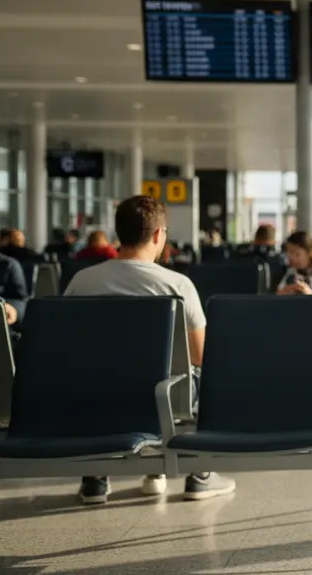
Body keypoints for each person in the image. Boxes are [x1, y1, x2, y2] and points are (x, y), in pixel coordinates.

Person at [64, 196, 236, 505]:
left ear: (119, 233)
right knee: (213, 374)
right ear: (158, 235)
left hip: (94, 395)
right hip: (164, 397)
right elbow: (201, 356)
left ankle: (95, 476)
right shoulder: (177, 285)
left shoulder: (82, 281)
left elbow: (69, 347)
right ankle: (199, 474)